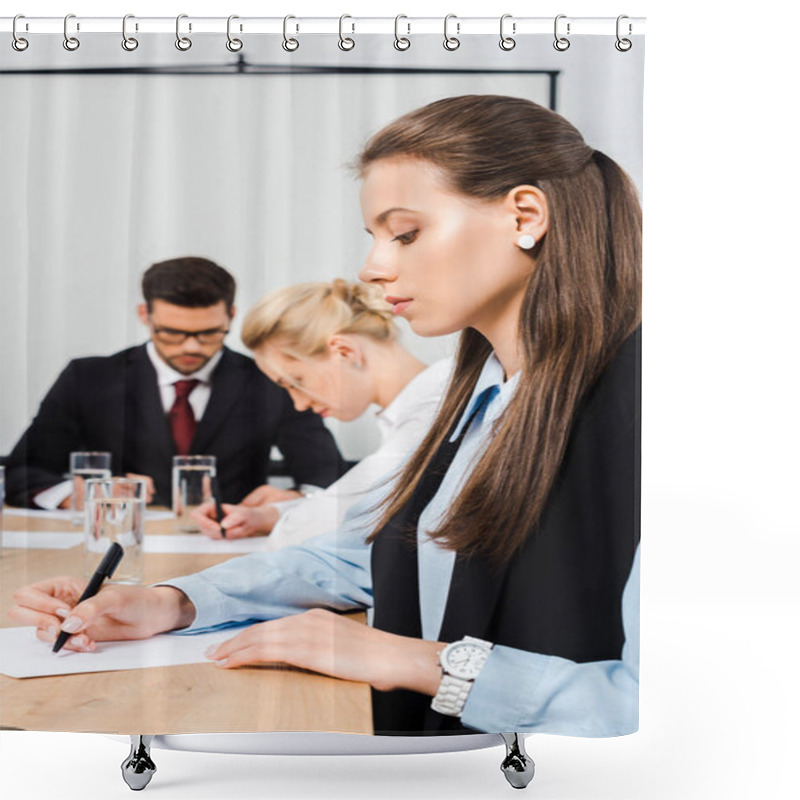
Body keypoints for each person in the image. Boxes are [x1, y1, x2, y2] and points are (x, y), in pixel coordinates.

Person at [9, 96, 642, 737]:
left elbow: (647, 704)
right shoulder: (480, 394)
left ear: (525, 216)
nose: (373, 267)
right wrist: (170, 603)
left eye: (406, 233)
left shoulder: (642, 412)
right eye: (374, 238)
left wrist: (419, 661)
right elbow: (375, 555)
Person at [2, 257, 344, 507]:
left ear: (231, 317)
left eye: (209, 332)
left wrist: (297, 499)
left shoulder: (270, 379)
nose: (191, 347)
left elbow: (326, 470)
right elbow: (23, 472)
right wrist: (78, 494)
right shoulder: (88, 379)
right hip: (115, 542)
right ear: (145, 316)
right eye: (173, 333)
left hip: (230, 545)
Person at [191, 278, 451, 543]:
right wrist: (271, 516)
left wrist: (284, 520)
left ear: (344, 351)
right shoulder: (430, 403)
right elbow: (358, 505)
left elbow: (311, 531)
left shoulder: (429, 420)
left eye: (295, 382)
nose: (299, 405)